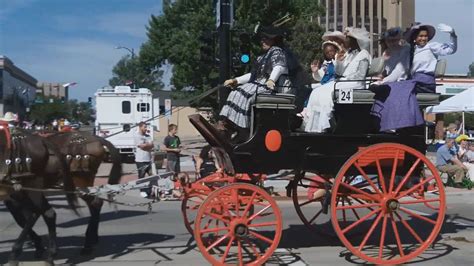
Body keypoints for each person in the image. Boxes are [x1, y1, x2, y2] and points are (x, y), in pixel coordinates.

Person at [218, 25, 292, 140]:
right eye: (262, 39)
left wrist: (272, 79)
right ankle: (231, 123)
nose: (262, 41)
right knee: (236, 91)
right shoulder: (262, 57)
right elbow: (253, 76)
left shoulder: (277, 52)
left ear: (273, 40)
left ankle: (242, 127)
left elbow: (279, 67)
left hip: (272, 86)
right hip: (260, 83)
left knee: (242, 92)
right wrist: (236, 80)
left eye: (265, 39)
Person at [304, 27, 371, 133]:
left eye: (347, 39)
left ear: (354, 40)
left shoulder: (364, 54)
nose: (345, 41)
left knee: (329, 91)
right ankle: (315, 126)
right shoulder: (349, 54)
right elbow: (340, 72)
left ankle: (327, 124)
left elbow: (360, 76)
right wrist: (339, 63)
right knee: (317, 91)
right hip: (345, 82)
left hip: (355, 84)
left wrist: (345, 78)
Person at [405, 22, 457, 93]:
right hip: (413, 82)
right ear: (414, 37)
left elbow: (451, 49)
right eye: (420, 36)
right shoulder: (410, 50)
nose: (423, 38)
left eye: (425, 36)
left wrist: (453, 35)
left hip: (425, 83)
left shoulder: (431, 47)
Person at [134, 121, 154, 198]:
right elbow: (142, 146)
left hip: (148, 159)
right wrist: (148, 145)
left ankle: (151, 190)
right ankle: (142, 191)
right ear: (140, 127)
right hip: (140, 160)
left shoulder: (148, 136)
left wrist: (147, 145)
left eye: (146, 127)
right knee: (141, 176)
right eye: (144, 127)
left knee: (152, 176)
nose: (146, 128)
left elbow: (151, 145)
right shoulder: (137, 136)